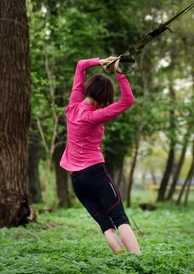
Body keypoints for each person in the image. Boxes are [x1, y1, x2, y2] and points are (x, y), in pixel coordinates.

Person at [60, 56, 141, 255]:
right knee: (119, 217)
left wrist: (101, 61)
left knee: (105, 224)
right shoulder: (94, 116)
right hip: (96, 173)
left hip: (77, 180)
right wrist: (118, 73)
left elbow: (80, 65)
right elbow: (128, 100)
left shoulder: (72, 108)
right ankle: (139, 261)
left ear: (88, 88)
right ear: (104, 96)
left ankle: (122, 259)